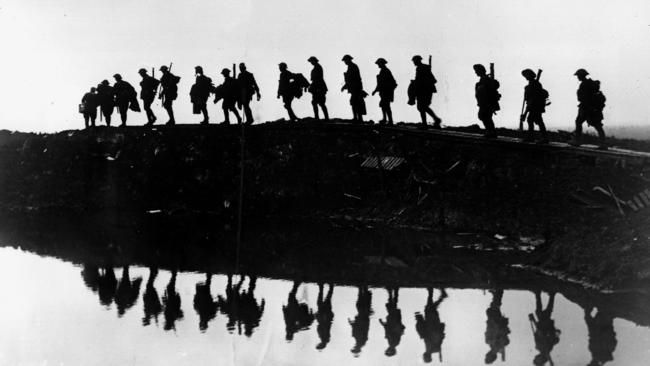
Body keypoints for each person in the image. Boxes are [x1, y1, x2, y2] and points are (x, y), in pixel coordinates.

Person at [570, 69, 607, 149]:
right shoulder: (590, 83)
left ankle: (577, 141)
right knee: (597, 125)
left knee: (579, 122)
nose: (577, 77)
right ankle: (603, 144)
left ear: (581, 76)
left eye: (578, 76)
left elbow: (581, 98)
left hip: (586, 108)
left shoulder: (584, 84)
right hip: (592, 108)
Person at [415, 288, 447, 363]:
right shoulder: (429, 349)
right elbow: (427, 336)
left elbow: (440, 342)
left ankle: (431, 291)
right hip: (431, 325)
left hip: (435, 325)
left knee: (429, 308)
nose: (423, 356)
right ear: (427, 356)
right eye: (424, 357)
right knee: (430, 309)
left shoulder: (435, 350)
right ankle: (441, 296)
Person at [529, 291, 560, 366]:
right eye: (537, 360)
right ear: (541, 360)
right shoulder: (546, 350)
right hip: (546, 326)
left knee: (543, 311)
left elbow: (536, 335)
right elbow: (551, 338)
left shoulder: (540, 348)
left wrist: (532, 320)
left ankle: (547, 295)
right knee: (545, 311)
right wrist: (533, 320)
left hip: (542, 325)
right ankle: (545, 294)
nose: (536, 358)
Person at [410, 55, 441, 128]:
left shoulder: (421, 68)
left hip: (425, 90)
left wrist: (416, 83)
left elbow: (424, 80)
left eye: (414, 61)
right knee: (423, 107)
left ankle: (427, 123)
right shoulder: (423, 68)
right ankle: (435, 119)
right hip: (425, 90)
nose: (413, 62)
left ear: (417, 61)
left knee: (421, 107)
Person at [520, 69, 549, 143]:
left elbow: (533, 98)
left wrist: (526, 112)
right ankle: (535, 137)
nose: (525, 77)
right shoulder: (532, 84)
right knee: (534, 120)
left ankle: (542, 137)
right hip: (534, 105)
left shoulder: (534, 84)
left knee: (536, 120)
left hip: (536, 106)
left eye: (526, 75)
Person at [473, 64, 500, 138]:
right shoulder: (483, 80)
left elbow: (490, 89)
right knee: (484, 116)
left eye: (476, 71)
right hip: (483, 102)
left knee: (485, 116)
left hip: (487, 102)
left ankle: (491, 132)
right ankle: (490, 131)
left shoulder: (486, 80)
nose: (476, 72)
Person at [484, 289, 510, 364]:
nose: (486, 355)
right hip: (497, 324)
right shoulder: (497, 347)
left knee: (491, 309)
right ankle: (499, 291)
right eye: (487, 356)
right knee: (494, 308)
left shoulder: (491, 345)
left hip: (492, 323)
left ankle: (496, 294)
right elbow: (504, 339)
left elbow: (488, 332)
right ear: (491, 356)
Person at [379, 287, 405, 357]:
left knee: (393, 306)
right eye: (388, 351)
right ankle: (391, 292)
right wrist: (383, 324)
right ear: (391, 350)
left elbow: (392, 332)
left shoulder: (395, 343)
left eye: (387, 351)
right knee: (391, 307)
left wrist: (384, 324)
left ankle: (394, 291)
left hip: (395, 322)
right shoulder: (392, 343)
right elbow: (388, 331)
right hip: (393, 322)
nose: (387, 349)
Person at [341, 54, 367, 122]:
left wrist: (345, 86)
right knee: (355, 102)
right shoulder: (351, 66)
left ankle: (358, 118)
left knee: (356, 102)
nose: (345, 62)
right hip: (355, 88)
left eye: (345, 60)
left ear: (348, 60)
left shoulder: (353, 66)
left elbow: (352, 79)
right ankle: (357, 118)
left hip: (356, 88)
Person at [372, 58, 397, 125]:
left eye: (379, 64)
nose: (378, 65)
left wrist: (375, 90)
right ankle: (385, 119)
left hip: (386, 92)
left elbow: (382, 83)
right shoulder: (384, 71)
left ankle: (390, 121)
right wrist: (376, 90)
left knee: (386, 106)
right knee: (384, 105)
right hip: (384, 92)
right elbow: (380, 83)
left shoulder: (385, 71)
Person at [349, 285, 372, 355]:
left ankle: (362, 288)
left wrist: (351, 323)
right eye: (355, 348)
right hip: (363, 319)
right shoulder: (362, 341)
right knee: (362, 305)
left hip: (361, 319)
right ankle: (363, 288)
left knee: (360, 305)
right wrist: (353, 324)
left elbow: (355, 330)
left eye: (354, 348)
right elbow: (363, 329)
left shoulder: (359, 341)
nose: (354, 347)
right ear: (358, 349)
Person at [308, 56, 329, 121]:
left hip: (319, 88)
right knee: (316, 102)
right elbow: (314, 80)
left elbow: (318, 79)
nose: (311, 62)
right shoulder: (316, 67)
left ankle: (322, 118)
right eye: (310, 61)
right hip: (317, 88)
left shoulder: (318, 68)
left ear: (314, 61)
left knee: (320, 103)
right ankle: (320, 117)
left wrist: (318, 88)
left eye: (311, 61)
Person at [315, 283, 334, 350]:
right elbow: (326, 327)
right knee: (327, 299)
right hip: (325, 316)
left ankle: (323, 287)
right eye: (319, 345)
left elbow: (321, 327)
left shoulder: (323, 338)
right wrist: (324, 317)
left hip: (323, 316)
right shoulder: (325, 337)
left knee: (322, 300)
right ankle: (329, 286)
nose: (318, 343)